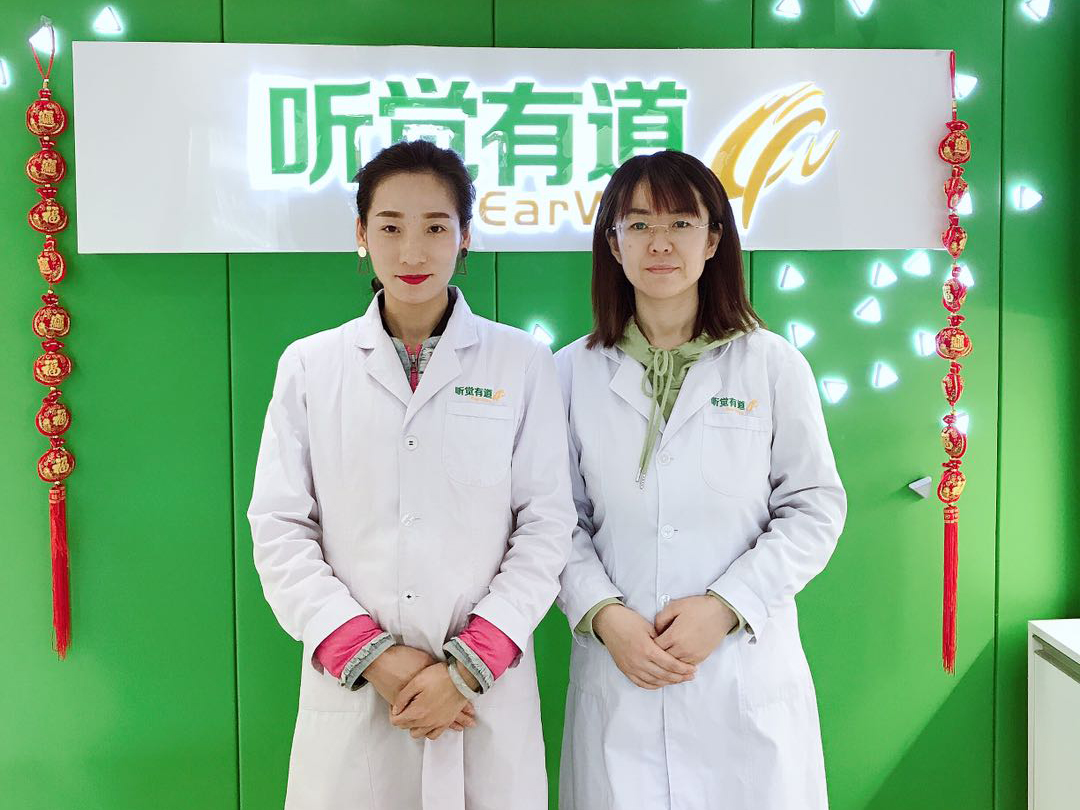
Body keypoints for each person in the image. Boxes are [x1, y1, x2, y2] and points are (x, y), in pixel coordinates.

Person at [248, 139, 574, 810]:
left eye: (435, 227)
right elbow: (280, 529)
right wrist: (374, 657)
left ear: (465, 236)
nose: (413, 252)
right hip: (360, 697)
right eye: (391, 227)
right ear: (361, 235)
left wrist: (468, 666)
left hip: (480, 694)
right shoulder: (310, 367)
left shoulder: (520, 363)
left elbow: (546, 526)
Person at [555, 149, 847, 810]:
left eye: (681, 224)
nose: (659, 243)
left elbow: (814, 507)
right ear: (613, 244)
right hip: (619, 678)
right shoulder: (570, 373)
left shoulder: (771, 364)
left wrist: (727, 605)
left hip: (741, 675)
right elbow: (556, 519)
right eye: (638, 225)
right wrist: (603, 615)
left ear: (713, 239)